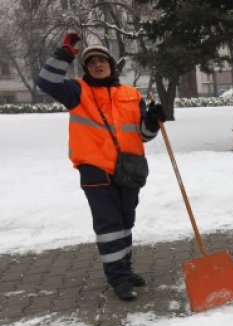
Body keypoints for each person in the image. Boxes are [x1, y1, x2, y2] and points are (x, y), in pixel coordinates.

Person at [36, 33, 166, 301]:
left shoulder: (131, 94)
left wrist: (152, 122)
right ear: (86, 69)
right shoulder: (76, 92)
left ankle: (125, 270)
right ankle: (117, 279)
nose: (97, 65)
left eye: (101, 60)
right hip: (95, 168)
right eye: (91, 62)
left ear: (111, 64)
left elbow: (142, 135)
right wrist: (64, 53)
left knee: (126, 222)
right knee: (109, 225)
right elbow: (46, 82)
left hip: (129, 169)